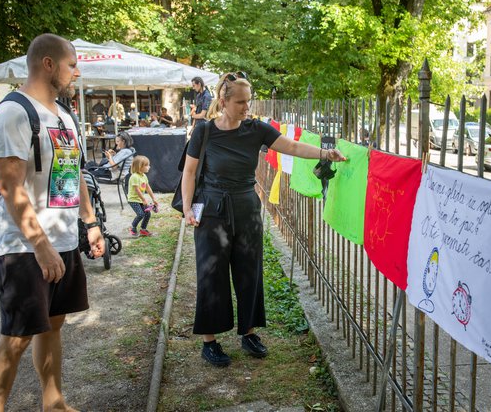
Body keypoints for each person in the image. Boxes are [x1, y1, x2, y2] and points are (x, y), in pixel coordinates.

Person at [181, 72, 345, 368]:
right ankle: (210, 341)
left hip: (246, 207)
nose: (247, 107)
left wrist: (324, 152)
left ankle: (249, 332)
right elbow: (190, 172)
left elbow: (292, 147)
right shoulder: (204, 131)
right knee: (211, 273)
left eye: (249, 101)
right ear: (224, 101)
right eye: (241, 102)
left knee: (249, 271)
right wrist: (189, 207)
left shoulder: (256, 129)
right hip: (213, 210)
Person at [0, 33, 105, 411]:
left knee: (54, 325)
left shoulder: (66, 115)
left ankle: (53, 403)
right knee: (17, 338)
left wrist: (90, 223)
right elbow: (9, 186)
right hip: (24, 248)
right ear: (48, 64)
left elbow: (75, 172)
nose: (77, 72)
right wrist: (40, 246)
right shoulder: (13, 112)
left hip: (65, 240)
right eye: (72, 64)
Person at [127, 155, 158, 237]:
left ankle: (143, 230)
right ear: (140, 167)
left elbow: (148, 188)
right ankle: (132, 227)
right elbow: (137, 190)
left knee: (147, 214)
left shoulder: (144, 176)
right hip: (133, 199)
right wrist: (144, 200)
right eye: (146, 165)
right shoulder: (134, 177)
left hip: (140, 199)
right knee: (141, 214)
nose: (149, 167)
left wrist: (153, 198)